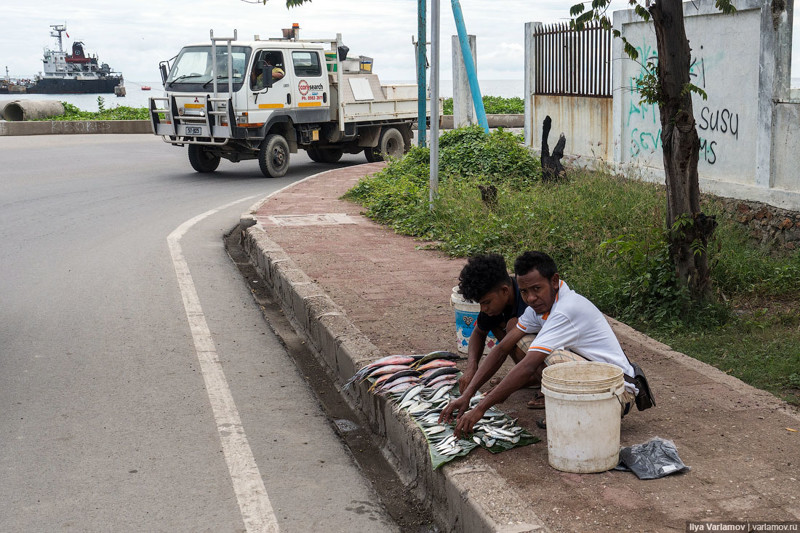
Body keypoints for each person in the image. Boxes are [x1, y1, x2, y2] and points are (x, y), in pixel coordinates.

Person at [441, 251, 647, 437]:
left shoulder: (566, 310)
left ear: (555, 281)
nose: (531, 298)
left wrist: (480, 409)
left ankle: (581, 413)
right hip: (597, 380)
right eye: (524, 292)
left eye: (537, 289)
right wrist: (467, 396)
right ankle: (571, 407)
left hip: (617, 393)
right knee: (521, 339)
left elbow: (528, 365)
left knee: (547, 355)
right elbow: (502, 348)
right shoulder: (537, 308)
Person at [456, 254, 541, 406]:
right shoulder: (497, 302)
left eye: (486, 302)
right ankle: (527, 377)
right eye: (480, 304)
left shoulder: (531, 301)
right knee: (495, 323)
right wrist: (471, 367)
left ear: (504, 290)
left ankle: (540, 381)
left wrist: (495, 394)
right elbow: (478, 332)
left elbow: (502, 351)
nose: (483, 309)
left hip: (558, 356)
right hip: (533, 353)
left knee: (512, 326)